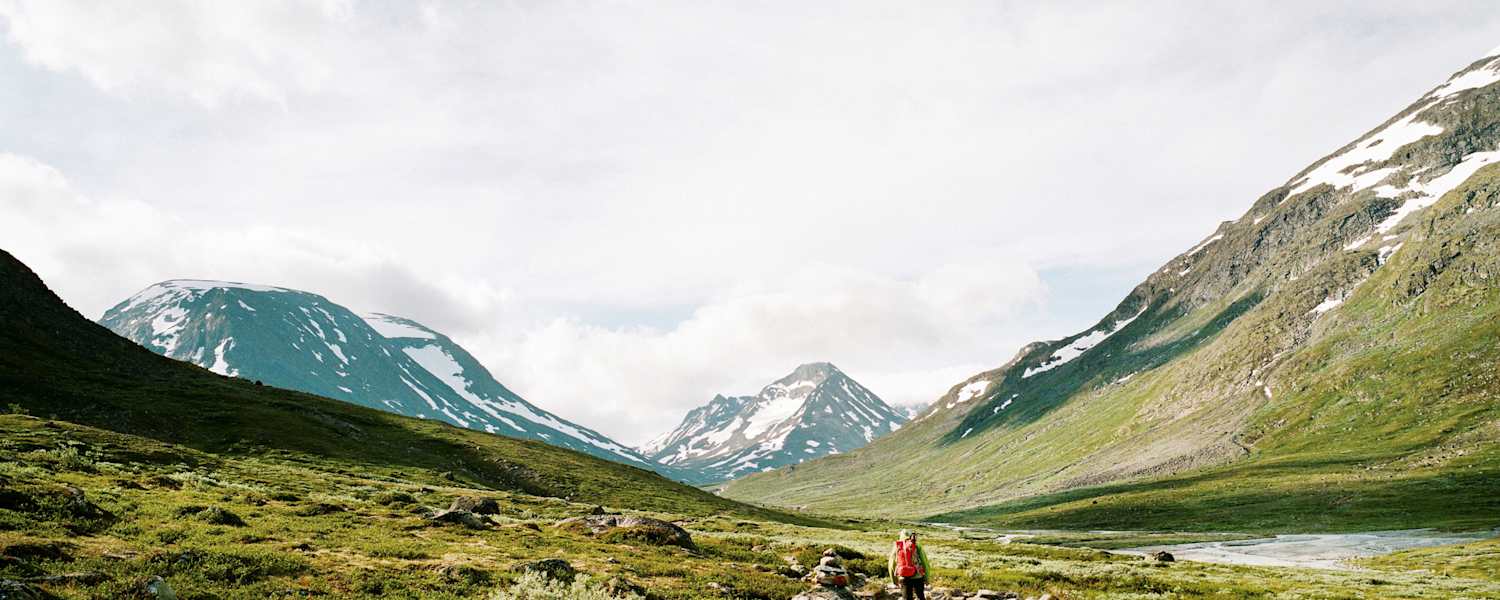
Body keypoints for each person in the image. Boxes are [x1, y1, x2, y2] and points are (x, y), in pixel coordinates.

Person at [887, 529, 931, 600]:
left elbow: (891, 564)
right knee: (920, 596)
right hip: (918, 576)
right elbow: (925, 562)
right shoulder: (916, 545)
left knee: (907, 598)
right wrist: (927, 579)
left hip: (903, 576)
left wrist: (894, 580)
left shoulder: (897, 545)